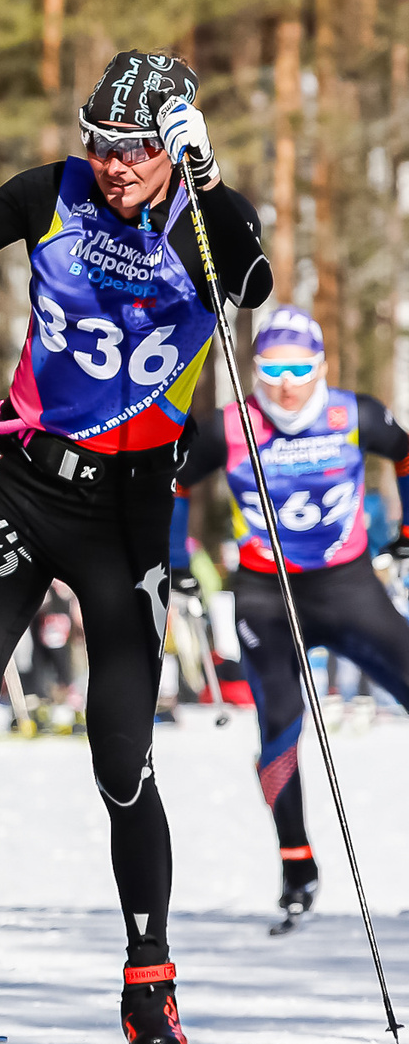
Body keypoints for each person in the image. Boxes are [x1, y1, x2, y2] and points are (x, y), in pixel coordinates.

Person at [0, 50, 270, 1044]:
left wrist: (206, 182)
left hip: (130, 508)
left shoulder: (199, 215)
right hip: (24, 482)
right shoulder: (50, 192)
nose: (112, 165)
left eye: (134, 148)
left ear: (174, 142)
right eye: (100, 142)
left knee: (118, 756)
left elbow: (252, 280)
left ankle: (149, 973)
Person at [168, 307, 409, 931]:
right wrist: (176, 561)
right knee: (279, 728)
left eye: (300, 367)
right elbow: (176, 481)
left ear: (321, 366)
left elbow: (404, 454)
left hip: (346, 584)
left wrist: (406, 530)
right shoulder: (230, 425)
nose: (285, 383)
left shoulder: (353, 413)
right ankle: (296, 863)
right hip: (265, 595)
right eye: (271, 369)